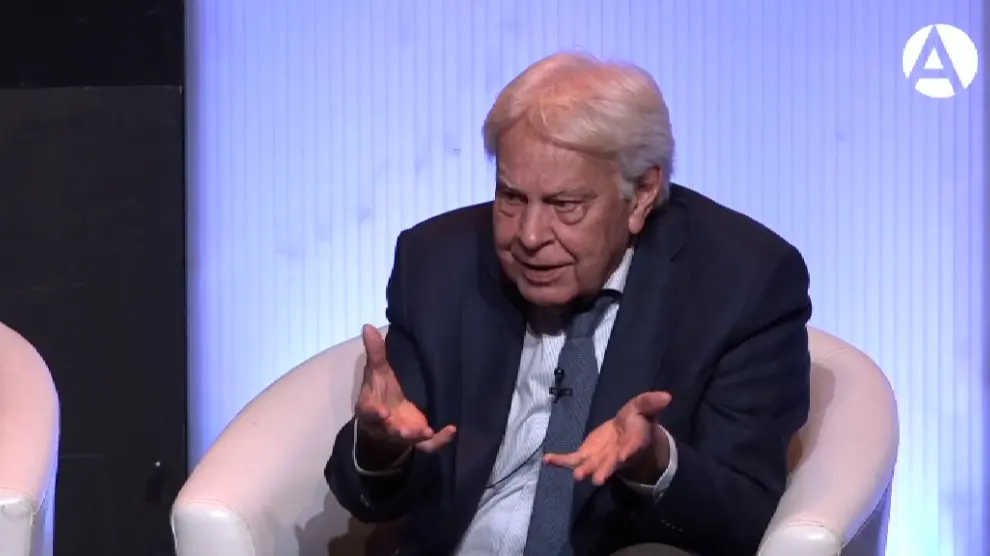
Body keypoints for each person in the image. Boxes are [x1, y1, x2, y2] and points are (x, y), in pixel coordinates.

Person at [325, 52, 812, 556]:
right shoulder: (437, 262)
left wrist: (655, 462)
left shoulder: (743, 282)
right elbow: (372, 494)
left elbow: (744, 516)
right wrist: (378, 448)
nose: (530, 235)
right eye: (511, 197)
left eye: (565, 206)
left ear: (642, 193)